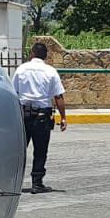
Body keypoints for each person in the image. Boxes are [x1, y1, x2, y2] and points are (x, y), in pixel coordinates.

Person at [11, 42, 66, 193]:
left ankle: (14, 182)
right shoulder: (51, 71)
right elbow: (58, 96)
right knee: (40, 150)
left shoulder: (21, 69)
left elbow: (13, 92)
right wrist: (63, 117)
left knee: (20, 150)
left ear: (32, 54)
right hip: (42, 115)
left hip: (23, 114)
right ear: (46, 56)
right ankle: (37, 182)